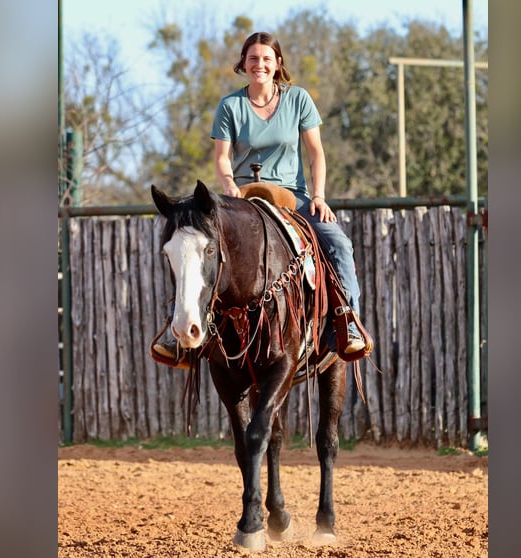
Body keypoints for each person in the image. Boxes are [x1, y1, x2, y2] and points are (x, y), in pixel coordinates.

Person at [153, 31, 365, 361]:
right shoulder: (230, 105)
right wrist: (228, 184)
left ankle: (347, 321)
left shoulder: (299, 100)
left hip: (292, 197)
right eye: (253, 58)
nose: (260, 65)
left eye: (267, 59)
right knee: (194, 248)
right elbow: (222, 157)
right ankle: (177, 330)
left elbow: (316, 154)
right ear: (244, 63)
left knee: (338, 242)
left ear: (278, 63)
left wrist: (319, 196)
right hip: (240, 199)